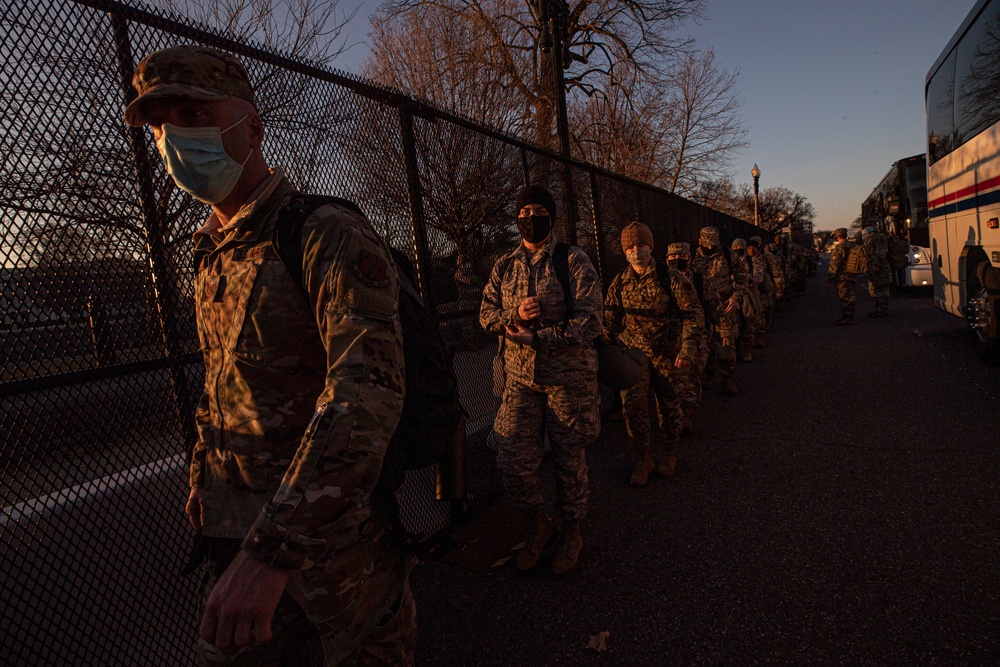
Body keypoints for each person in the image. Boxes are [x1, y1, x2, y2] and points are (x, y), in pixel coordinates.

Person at [125, 45, 415, 665]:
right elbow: (223, 375)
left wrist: (271, 551)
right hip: (238, 530)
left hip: (329, 552)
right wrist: (207, 469)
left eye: (192, 112)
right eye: (159, 124)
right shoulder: (210, 251)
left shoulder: (322, 232)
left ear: (251, 126)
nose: (175, 135)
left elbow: (364, 395)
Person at [479, 185, 603, 576]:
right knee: (512, 461)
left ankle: (571, 533)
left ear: (550, 217)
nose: (530, 217)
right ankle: (539, 524)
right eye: (524, 211)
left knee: (569, 462)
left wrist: (540, 337)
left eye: (538, 211)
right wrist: (512, 313)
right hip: (521, 380)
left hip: (568, 381)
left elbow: (591, 320)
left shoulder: (573, 260)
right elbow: (486, 315)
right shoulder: (504, 265)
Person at [603, 223, 705, 486]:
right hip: (635, 356)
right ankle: (643, 458)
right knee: (634, 409)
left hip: (669, 356)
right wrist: (606, 346)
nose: (637, 251)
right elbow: (610, 320)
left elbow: (693, 315)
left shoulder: (670, 278)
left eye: (641, 245)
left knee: (670, 409)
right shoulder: (620, 282)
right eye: (631, 246)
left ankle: (669, 454)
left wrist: (687, 348)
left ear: (651, 246)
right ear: (625, 251)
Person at [665, 242, 723, 435]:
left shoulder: (699, 280)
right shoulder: (661, 279)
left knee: (693, 373)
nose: (676, 261)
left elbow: (714, 304)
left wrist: (723, 328)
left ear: (689, 259)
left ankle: (687, 415)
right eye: (672, 258)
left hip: (697, 333)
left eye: (681, 257)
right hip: (670, 336)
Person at [692, 226, 746, 396]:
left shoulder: (729, 255)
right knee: (706, 342)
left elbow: (742, 276)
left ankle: (728, 378)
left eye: (713, 244)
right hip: (704, 307)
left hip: (725, 306)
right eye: (706, 244)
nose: (710, 248)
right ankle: (711, 374)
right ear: (700, 241)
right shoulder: (693, 258)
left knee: (726, 343)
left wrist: (736, 297)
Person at [730, 238, 760, 361]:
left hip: (748, 296)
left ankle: (747, 351)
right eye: (735, 248)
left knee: (748, 324)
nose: (738, 250)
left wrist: (748, 278)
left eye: (740, 248)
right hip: (734, 296)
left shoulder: (752, 261)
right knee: (735, 324)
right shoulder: (729, 263)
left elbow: (759, 277)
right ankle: (736, 350)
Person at [826, 227, 858, 325]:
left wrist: (829, 280)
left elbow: (834, 266)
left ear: (837, 236)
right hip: (852, 273)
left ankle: (847, 317)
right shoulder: (853, 246)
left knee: (845, 297)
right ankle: (849, 316)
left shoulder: (839, 249)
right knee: (850, 295)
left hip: (842, 277)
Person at [863, 225, 890, 318]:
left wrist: (877, 264)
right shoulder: (869, 237)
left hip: (880, 268)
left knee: (881, 289)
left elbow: (882, 251)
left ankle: (882, 309)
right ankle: (878, 308)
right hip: (871, 267)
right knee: (873, 289)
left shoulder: (880, 236)